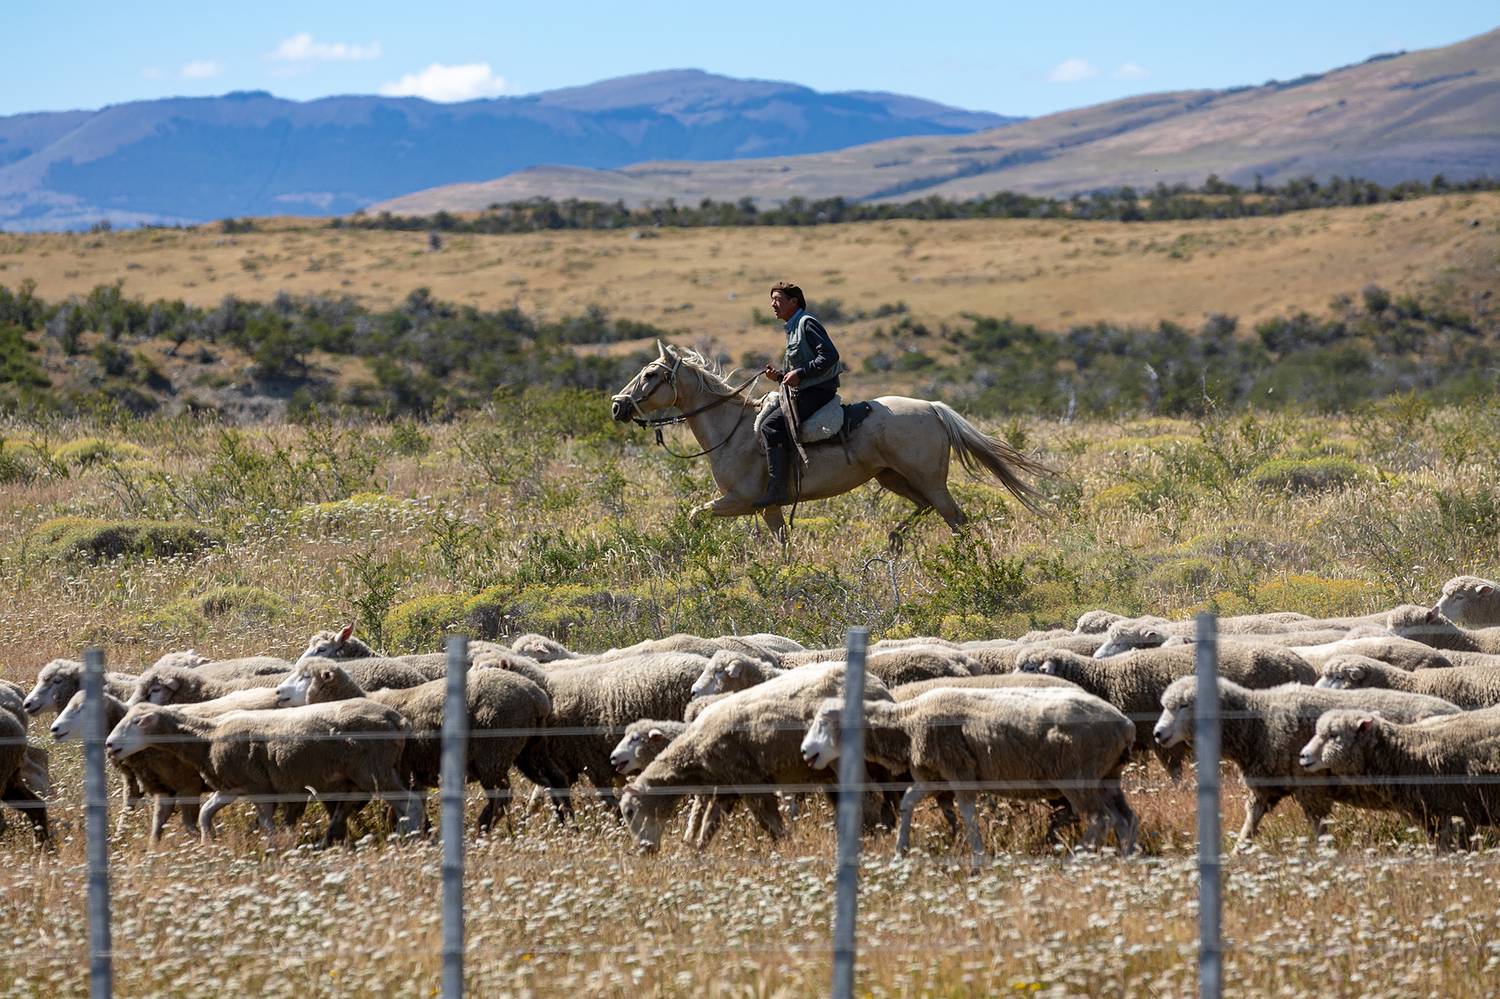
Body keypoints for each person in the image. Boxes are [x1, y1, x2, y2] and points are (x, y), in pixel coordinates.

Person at [753, 281, 842, 508]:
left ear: (794, 301)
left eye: (778, 300)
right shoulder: (793, 327)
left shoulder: (806, 323)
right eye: (772, 300)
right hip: (808, 388)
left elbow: (830, 355)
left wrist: (800, 374)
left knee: (770, 426)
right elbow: (800, 369)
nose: (773, 305)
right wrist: (781, 376)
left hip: (818, 391)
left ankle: (778, 489)